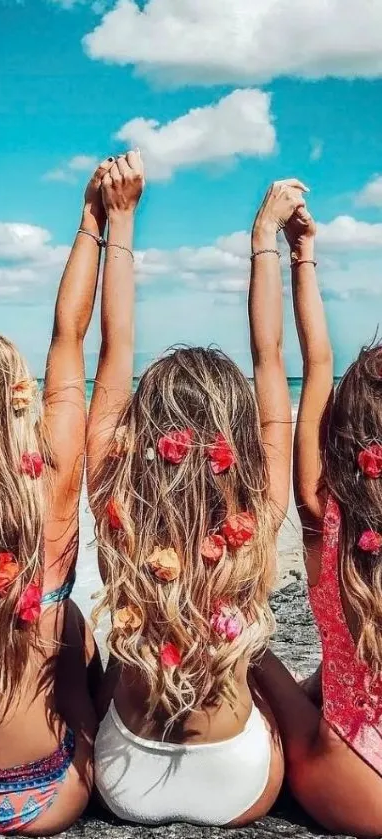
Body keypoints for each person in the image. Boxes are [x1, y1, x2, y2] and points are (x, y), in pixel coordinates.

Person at [87, 171, 308, 826]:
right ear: (236, 435)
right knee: (258, 659)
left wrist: (118, 221)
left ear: (141, 433)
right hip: (237, 781)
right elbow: (271, 359)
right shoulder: (257, 512)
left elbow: (113, 351)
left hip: (121, 776)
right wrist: (264, 239)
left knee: (97, 647)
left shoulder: (115, 514)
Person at [0, 159, 112, 835]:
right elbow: (70, 339)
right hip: (43, 796)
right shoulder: (49, 488)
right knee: (77, 638)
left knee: (73, 628)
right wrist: (95, 219)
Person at [253, 204, 382, 836]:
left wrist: (297, 250)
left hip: (357, 785)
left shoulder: (320, 509)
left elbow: (314, 361)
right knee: (337, 672)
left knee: (243, 645)